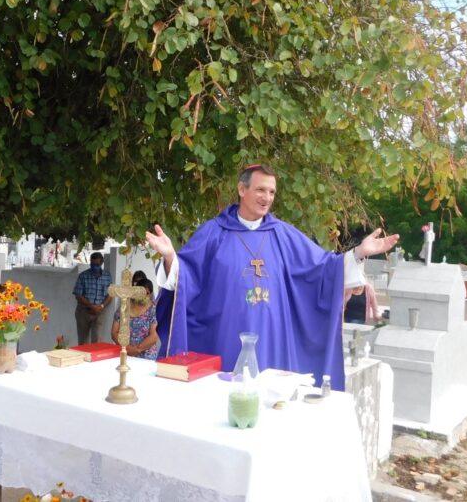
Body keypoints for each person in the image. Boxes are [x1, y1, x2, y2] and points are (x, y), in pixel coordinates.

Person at [145, 164, 399, 387]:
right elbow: (187, 275)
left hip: (273, 340)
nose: (267, 198)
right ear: (242, 189)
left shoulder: (284, 235)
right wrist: (170, 257)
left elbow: (323, 269)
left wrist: (358, 254)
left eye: (272, 192)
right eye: (260, 190)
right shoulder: (214, 233)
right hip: (223, 338)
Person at [110, 278, 160, 359]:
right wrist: (127, 348)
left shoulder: (153, 310)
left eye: (147, 293)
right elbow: (114, 332)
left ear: (150, 294)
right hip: (125, 353)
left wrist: (137, 349)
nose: (144, 295)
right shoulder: (124, 308)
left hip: (147, 356)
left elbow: (154, 336)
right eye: (141, 293)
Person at [72, 252, 112, 345]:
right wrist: (91, 306)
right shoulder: (83, 276)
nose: (94, 267)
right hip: (83, 311)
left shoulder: (107, 276)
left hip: (99, 311)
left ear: (101, 263)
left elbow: (110, 295)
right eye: (92, 264)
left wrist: (101, 306)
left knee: (97, 340)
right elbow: (78, 295)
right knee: (83, 341)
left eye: (97, 265)